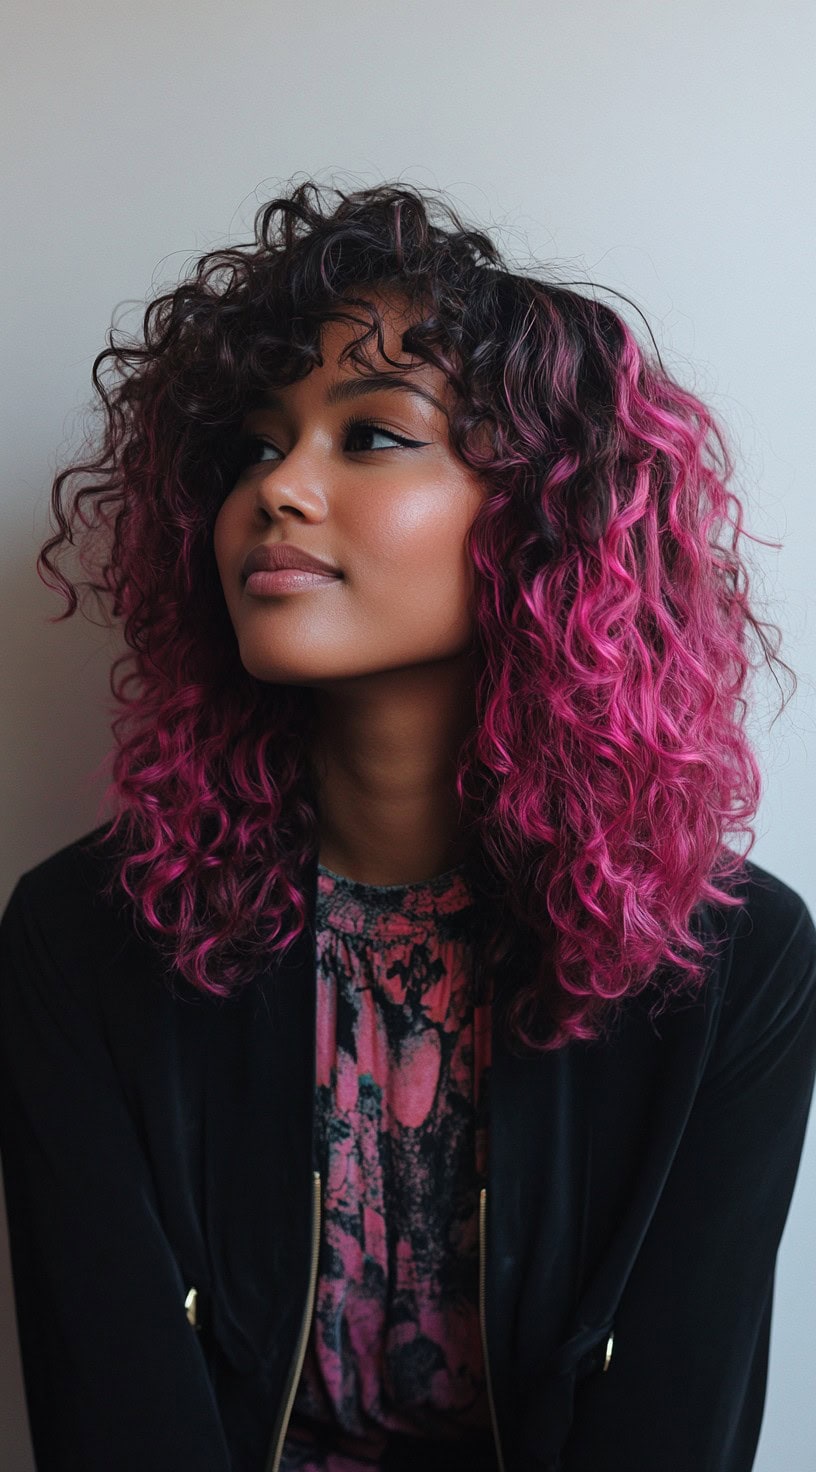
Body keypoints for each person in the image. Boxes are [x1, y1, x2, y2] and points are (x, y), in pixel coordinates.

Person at [0, 179, 814, 1472]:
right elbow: (114, 1415)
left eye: (371, 436)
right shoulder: (82, 941)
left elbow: (678, 1421)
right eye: (256, 449)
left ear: (544, 518)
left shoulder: (728, 961)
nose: (280, 490)